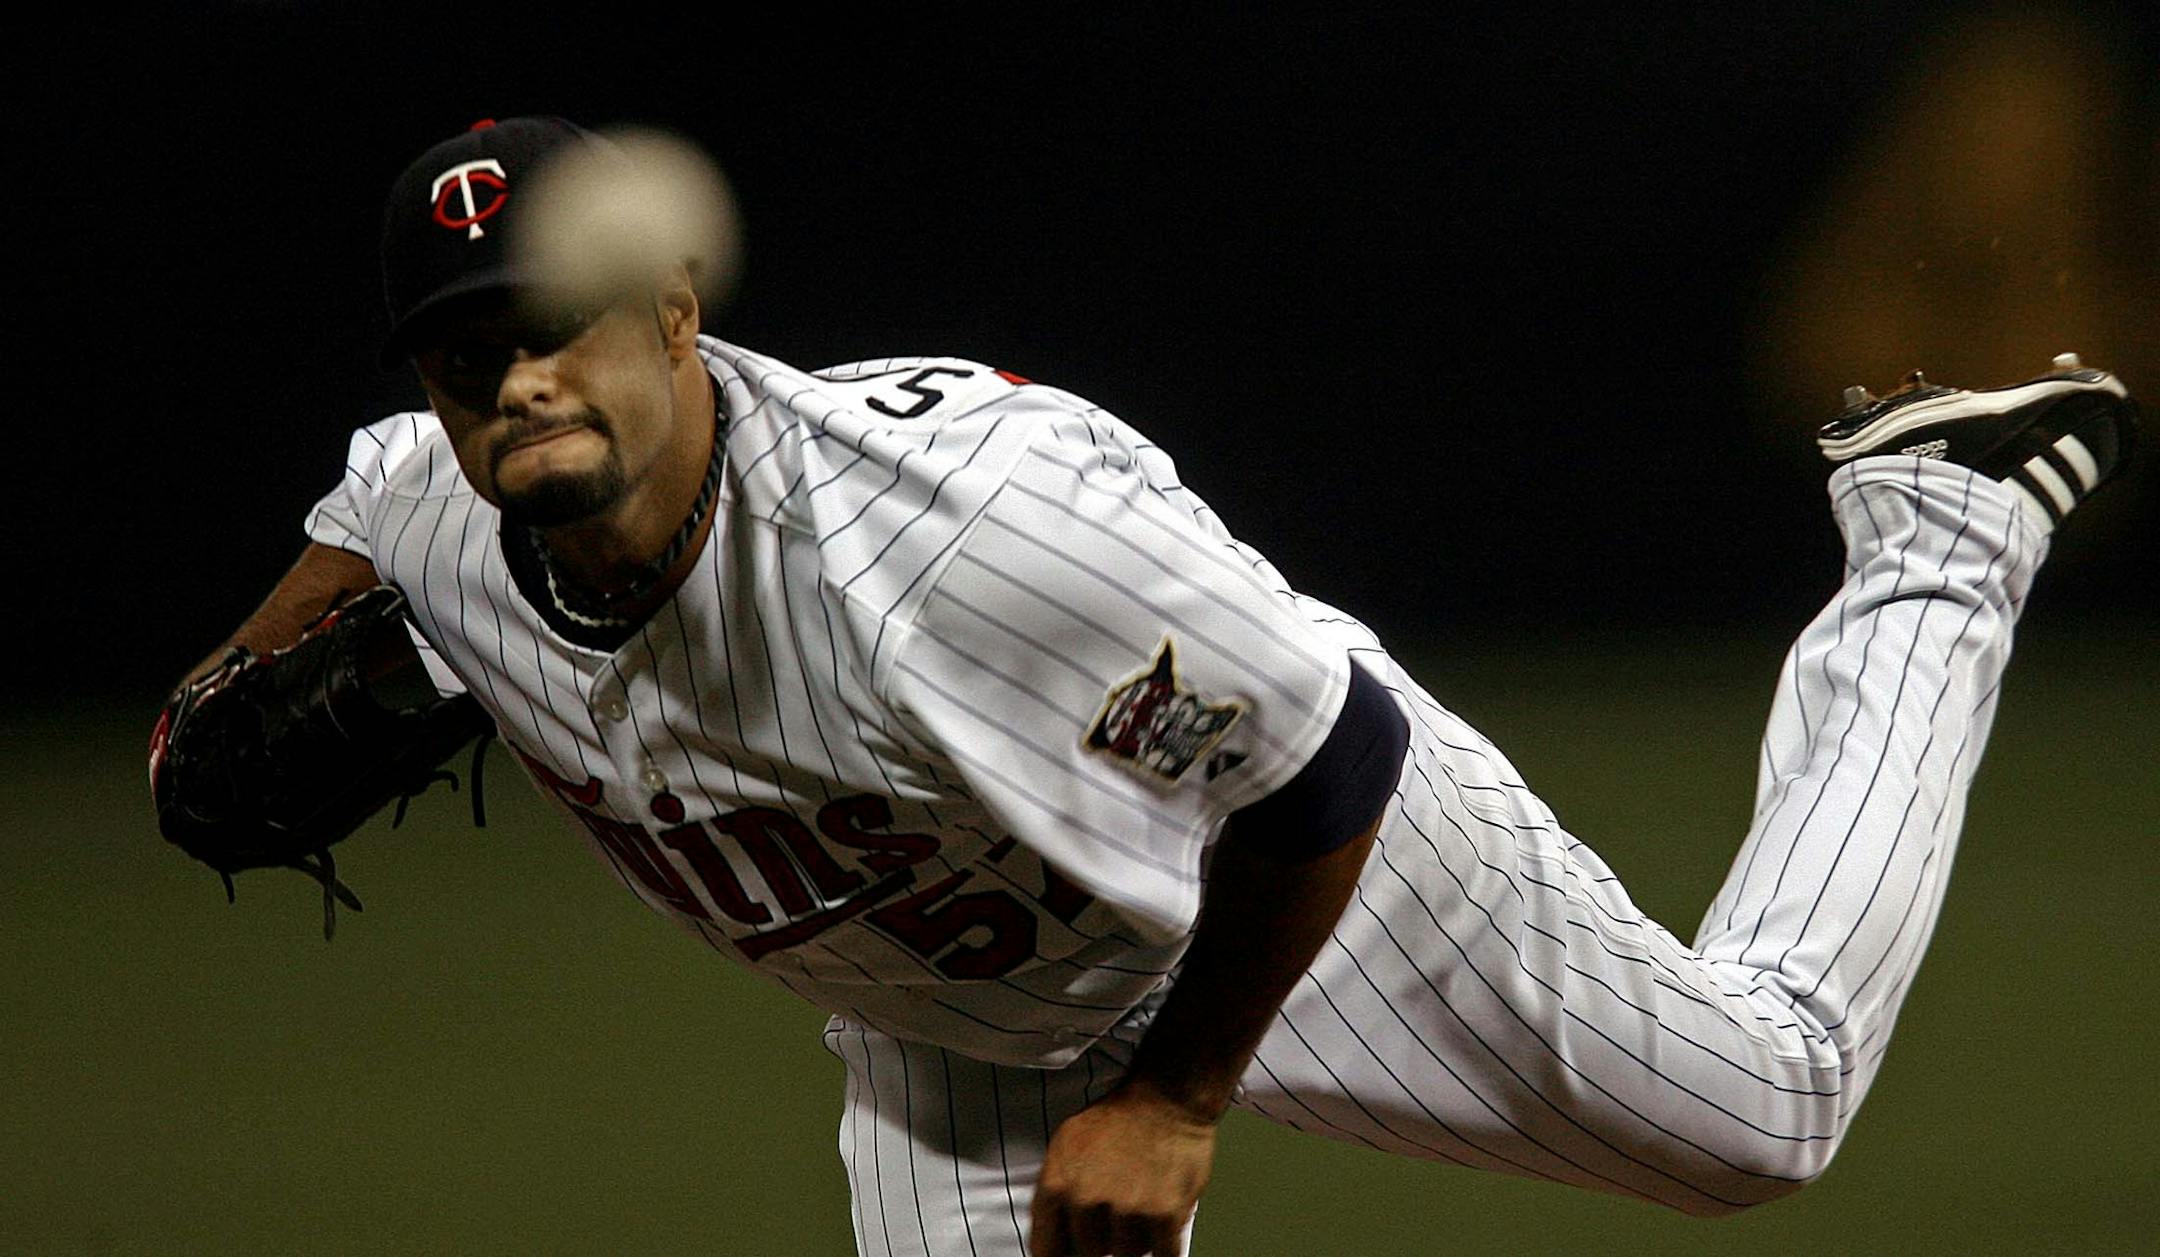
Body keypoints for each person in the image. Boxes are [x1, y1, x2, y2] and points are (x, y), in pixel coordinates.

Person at [167, 116, 2138, 1257]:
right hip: (961, 1040)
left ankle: (1941, 521)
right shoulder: (432, 512)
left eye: (555, 327)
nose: (518, 381)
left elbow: (1324, 758)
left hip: (1251, 856)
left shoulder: (962, 549)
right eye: (467, 352)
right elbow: (283, 621)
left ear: (674, 317)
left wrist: (1180, 1095)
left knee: (1764, 1108)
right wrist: (213, 728)